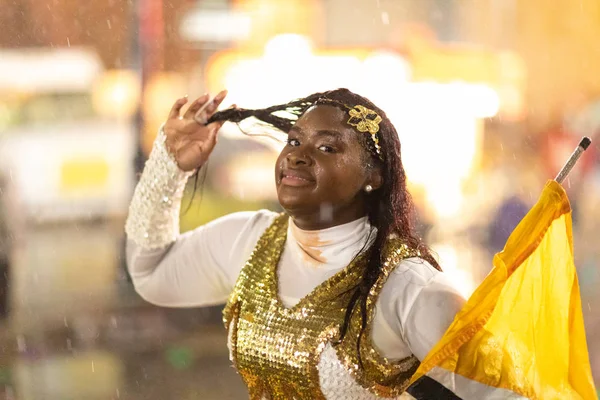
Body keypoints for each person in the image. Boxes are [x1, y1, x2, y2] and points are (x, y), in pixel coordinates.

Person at [125, 88, 465, 399]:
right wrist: (167, 166)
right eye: (293, 142)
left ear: (373, 175)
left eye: (327, 147)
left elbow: (501, 391)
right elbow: (152, 273)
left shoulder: (408, 288)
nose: (297, 156)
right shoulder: (248, 240)